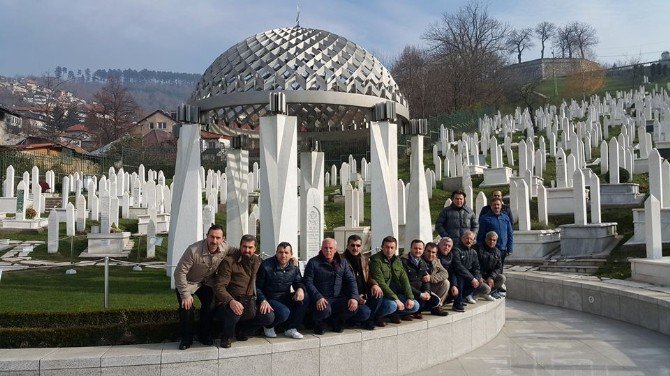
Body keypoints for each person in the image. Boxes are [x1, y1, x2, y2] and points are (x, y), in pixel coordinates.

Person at [173, 224, 229, 350]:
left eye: (218, 238)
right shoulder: (193, 250)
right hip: (188, 282)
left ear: (223, 239)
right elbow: (179, 272)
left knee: (210, 306)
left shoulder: (225, 248)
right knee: (187, 309)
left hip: (207, 282)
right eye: (211, 237)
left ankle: (204, 335)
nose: (214, 241)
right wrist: (185, 295)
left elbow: (237, 252)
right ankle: (186, 339)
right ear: (206, 236)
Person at [215, 234, 274, 348]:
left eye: (250, 247)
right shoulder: (229, 261)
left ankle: (243, 330)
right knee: (236, 312)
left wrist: (290, 261)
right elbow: (219, 286)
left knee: (269, 316)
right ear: (240, 246)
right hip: (230, 302)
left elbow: (272, 263)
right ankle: (226, 336)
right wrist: (230, 301)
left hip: (249, 302)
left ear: (255, 249)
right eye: (244, 246)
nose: (247, 250)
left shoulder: (257, 260)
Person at [303, 238, 371, 334]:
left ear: (335, 249)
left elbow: (351, 281)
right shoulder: (313, 262)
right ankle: (319, 323)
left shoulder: (342, 262)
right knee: (324, 310)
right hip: (321, 298)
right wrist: (318, 297)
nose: (328, 250)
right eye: (325, 248)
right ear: (321, 249)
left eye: (331, 248)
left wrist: (354, 298)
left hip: (338, 298)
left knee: (359, 310)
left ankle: (337, 321)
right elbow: (308, 282)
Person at [256, 242, 308, 339]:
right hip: (270, 298)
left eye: (286, 253)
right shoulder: (266, 266)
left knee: (305, 297)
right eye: (280, 252)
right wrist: (263, 300)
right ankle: (268, 326)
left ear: (291, 254)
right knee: (284, 313)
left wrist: (300, 289)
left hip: (284, 296)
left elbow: (298, 282)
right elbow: (257, 287)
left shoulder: (293, 268)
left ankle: (291, 328)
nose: (283, 255)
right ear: (276, 253)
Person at [369, 236, 419, 325]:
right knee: (392, 306)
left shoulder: (397, 260)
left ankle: (393, 315)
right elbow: (381, 283)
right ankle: (378, 316)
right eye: (387, 247)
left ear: (395, 249)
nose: (389, 250)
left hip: (396, 293)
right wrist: (396, 299)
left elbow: (404, 279)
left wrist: (410, 297)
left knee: (415, 305)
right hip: (383, 295)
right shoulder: (376, 260)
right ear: (382, 247)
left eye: (392, 248)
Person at [400, 240, 447, 318]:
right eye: (415, 248)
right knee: (416, 305)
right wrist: (420, 294)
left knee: (435, 300)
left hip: (419, 290)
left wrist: (427, 292)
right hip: (407, 292)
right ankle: (403, 313)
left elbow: (426, 280)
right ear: (411, 248)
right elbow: (404, 283)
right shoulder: (404, 261)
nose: (418, 251)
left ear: (422, 250)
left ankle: (421, 310)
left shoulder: (422, 262)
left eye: (420, 249)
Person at [342, 234, 380, 330]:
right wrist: (355, 297)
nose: (355, 248)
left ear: (361, 247)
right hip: (349, 297)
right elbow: (340, 284)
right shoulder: (341, 260)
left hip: (363, 293)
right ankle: (351, 320)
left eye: (358, 245)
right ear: (347, 246)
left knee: (378, 294)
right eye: (352, 245)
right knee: (364, 312)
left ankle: (369, 321)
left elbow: (369, 276)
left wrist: (375, 284)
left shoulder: (364, 259)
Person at [453, 231, 491, 307]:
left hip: (468, 276)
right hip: (457, 275)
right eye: (467, 238)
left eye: (471, 239)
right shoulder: (456, 249)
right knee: (461, 278)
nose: (469, 241)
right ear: (462, 238)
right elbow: (458, 266)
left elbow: (476, 268)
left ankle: (462, 298)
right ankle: (457, 303)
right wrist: (472, 278)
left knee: (479, 281)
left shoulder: (473, 252)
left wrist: (477, 278)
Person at [477, 197, 514, 267]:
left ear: (501, 206)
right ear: (491, 206)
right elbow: (481, 234)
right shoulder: (485, 218)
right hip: (489, 249)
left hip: (502, 249)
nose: (496, 206)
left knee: (499, 269)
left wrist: (510, 248)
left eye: (498, 205)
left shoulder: (505, 218)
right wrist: (480, 248)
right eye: (494, 205)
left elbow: (510, 234)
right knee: (489, 268)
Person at [436, 237, 469, 312]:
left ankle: (457, 302)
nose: (446, 247)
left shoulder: (450, 255)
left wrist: (454, 285)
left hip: (447, 278)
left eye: (449, 246)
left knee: (460, 277)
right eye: (445, 245)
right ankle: (438, 305)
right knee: (447, 282)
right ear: (439, 244)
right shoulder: (435, 253)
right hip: (437, 279)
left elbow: (452, 271)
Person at [421, 242, 451, 313]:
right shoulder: (419, 259)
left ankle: (437, 307)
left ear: (436, 254)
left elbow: (445, 273)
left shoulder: (436, 261)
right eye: (428, 251)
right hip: (420, 286)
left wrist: (431, 278)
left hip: (431, 285)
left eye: (433, 252)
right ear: (424, 251)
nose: (430, 254)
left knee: (446, 282)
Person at [478, 231, 507, 300]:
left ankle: (488, 293)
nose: (491, 242)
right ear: (486, 239)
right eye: (489, 239)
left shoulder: (497, 252)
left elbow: (498, 267)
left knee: (502, 278)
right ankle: (480, 293)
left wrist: (491, 277)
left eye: (494, 240)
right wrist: (479, 277)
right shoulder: (478, 249)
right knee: (486, 288)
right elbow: (475, 265)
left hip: (489, 277)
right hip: (479, 277)